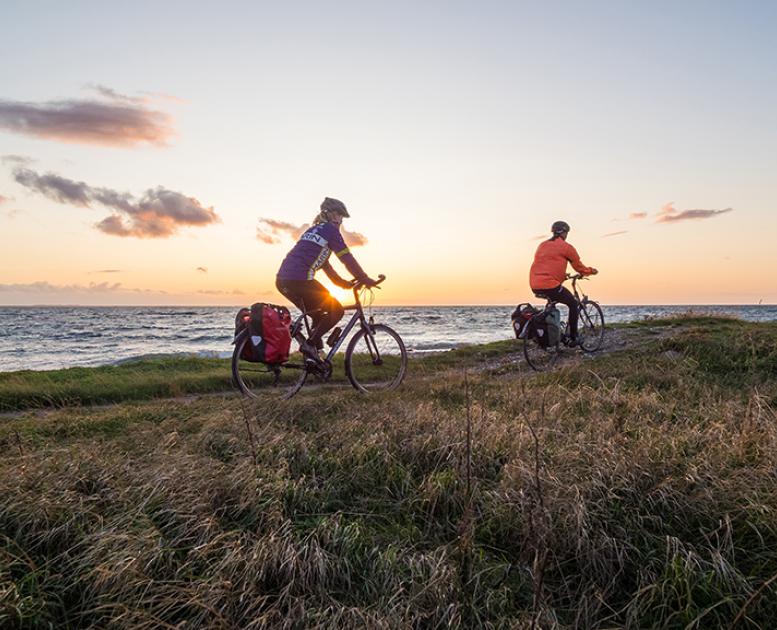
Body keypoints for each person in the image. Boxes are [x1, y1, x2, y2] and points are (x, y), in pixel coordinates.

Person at [276, 197, 377, 361]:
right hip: (299, 280)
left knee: (318, 315)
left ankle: (315, 357)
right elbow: (346, 257)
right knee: (336, 310)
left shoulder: (313, 231)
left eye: (342, 217)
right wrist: (364, 278)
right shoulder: (331, 230)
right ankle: (309, 346)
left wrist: (344, 284)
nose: (340, 220)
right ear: (329, 214)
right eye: (338, 215)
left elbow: (325, 266)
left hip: (282, 281)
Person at [529, 220, 598, 346]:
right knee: (572, 303)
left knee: (551, 305)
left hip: (534, 284)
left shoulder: (542, 245)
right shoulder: (567, 247)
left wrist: (562, 276)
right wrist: (591, 271)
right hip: (549, 285)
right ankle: (573, 337)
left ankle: (553, 335)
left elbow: (547, 265)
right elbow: (579, 267)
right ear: (564, 233)